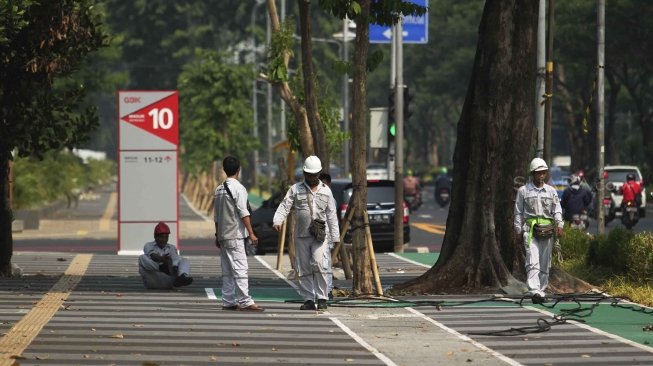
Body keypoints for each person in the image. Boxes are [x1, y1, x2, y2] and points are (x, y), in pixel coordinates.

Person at [273, 156, 340, 310]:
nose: (311, 178)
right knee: (303, 268)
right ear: (304, 172)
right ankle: (309, 299)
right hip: (301, 235)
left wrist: (335, 236)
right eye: (308, 174)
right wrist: (278, 221)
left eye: (314, 174)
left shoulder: (326, 191)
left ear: (319, 173)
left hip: (320, 236)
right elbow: (285, 205)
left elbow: (331, 215)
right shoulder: (295, 189)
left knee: (320, 265)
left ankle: (322, 297)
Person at [214, 156, 264, 312]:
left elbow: (217, 216)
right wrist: (251, 233)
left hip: (223, 235)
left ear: (224, 169)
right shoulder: (239, 188)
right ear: (238, 170)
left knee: (228, 271)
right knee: (241, 268)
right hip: (235, 234)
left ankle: (228, 301)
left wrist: (217, 234)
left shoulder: (219, 189)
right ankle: (245, 301)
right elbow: (244, 212)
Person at [514, 158, 564, 304]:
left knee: (544, 262)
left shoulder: (551, 191)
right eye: (538, 173)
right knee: (532, 261)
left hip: (547, 231)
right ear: (532, 174)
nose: (541, 176)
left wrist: (559, 225)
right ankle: (534, 290)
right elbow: (518, 212)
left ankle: (541, 290)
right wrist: (518, 230)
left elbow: (557, 210)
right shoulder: (524, 191)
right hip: (530, 231)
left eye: (543, 173)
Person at [138, 222, 193, 289]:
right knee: (142, 258)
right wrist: (162, 260)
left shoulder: (172, 248)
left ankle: (181, 277)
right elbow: (153, 256)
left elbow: (175, 259)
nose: (164, 240)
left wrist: (174, 266)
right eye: (161, 237)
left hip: (169, 281)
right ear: (155, 236)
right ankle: (161, 267)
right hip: (153, 282)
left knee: (185, 260)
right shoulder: (148, 245)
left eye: (166, 237)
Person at [319, 172, 336, 300]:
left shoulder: (330, 198)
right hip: (317, 235)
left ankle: (328, 289)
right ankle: (321, 289)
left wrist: (334, 237)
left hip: (327, 235)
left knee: (326, 263)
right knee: (318, 264)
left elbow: (332, 218)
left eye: (325, 183)